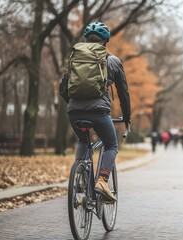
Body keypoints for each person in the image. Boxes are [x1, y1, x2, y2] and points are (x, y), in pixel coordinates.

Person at [60, 22, 131, 202]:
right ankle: (102, 181)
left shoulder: (75, 58)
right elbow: (123, 93)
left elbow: (63, 88)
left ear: (86, 40)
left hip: (74, 112)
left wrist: (76, 105)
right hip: (99, 112)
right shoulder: (113, 61)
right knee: (111, 144)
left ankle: (81, 181)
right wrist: (127, 117)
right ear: (105, 41)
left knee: (83, 140)